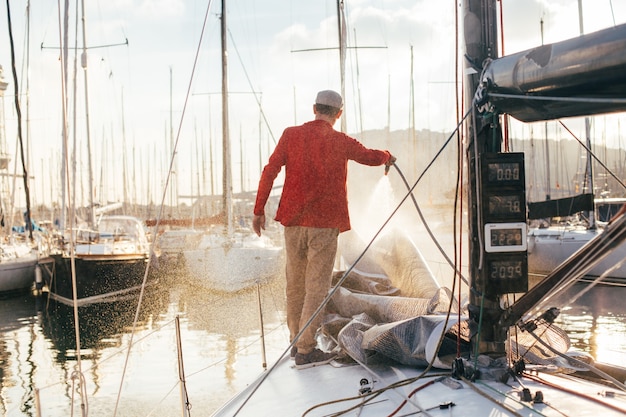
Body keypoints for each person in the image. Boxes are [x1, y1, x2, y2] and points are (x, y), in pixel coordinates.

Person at [252, 90, 396, 369]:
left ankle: (297, 342)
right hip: (324, 224)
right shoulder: (340, 141)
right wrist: (388, 156)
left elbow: (269, 170)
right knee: (316, 288)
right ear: (338, 114)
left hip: (293, 223)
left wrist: (259, 210)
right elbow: (369, 156)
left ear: (314, 108)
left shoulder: (290, 135)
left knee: (294, 286)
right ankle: (306, 350)